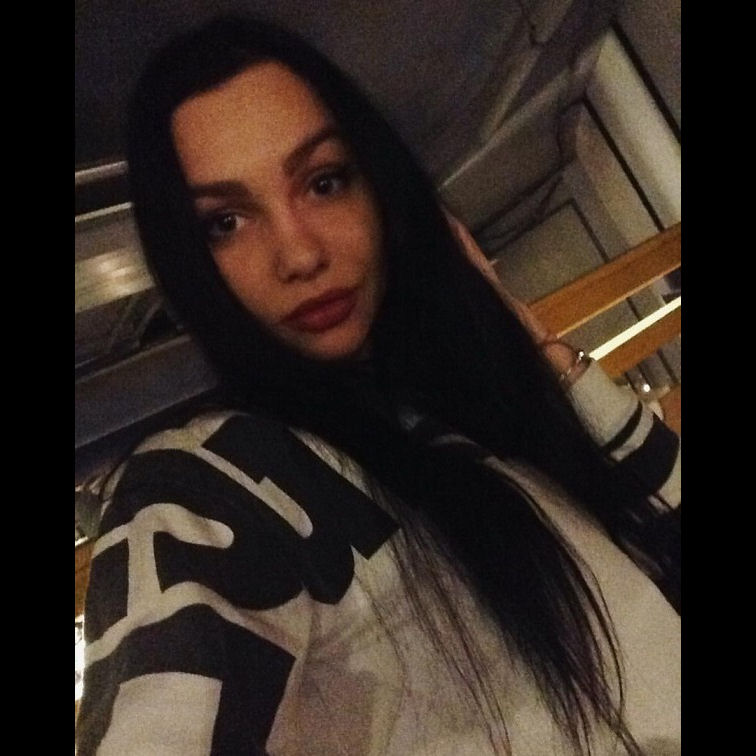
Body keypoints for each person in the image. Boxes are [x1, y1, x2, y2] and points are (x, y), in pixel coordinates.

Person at [76, 14, 681, 756]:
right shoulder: (212, 486)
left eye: (323, 182)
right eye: (226, 222)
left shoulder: (474, 411)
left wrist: (530, 342)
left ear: (381, 187)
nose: (298, 254)